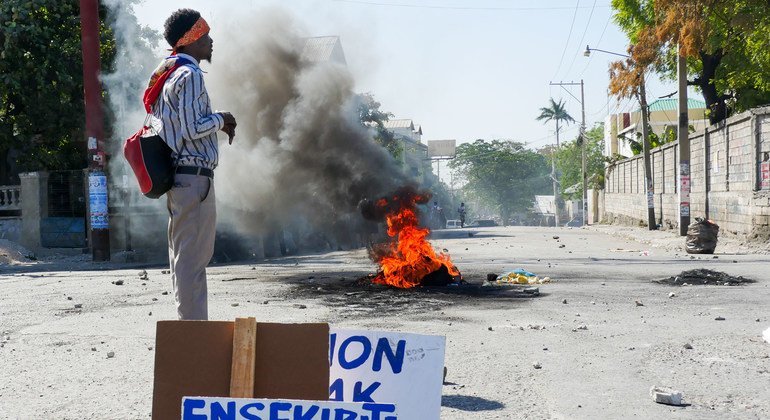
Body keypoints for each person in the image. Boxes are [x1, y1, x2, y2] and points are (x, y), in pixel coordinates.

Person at [147, 9, 237, 320]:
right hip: (193, 180)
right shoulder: (190, 74)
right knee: (191, 261)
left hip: (185, 180)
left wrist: (216, 122)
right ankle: (193, 332)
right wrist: (222, 119)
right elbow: (192, 128)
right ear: (190, 40)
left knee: (186, 258)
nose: (210, 41)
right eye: (204, 36)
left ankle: (192, 327)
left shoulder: (168, 73)